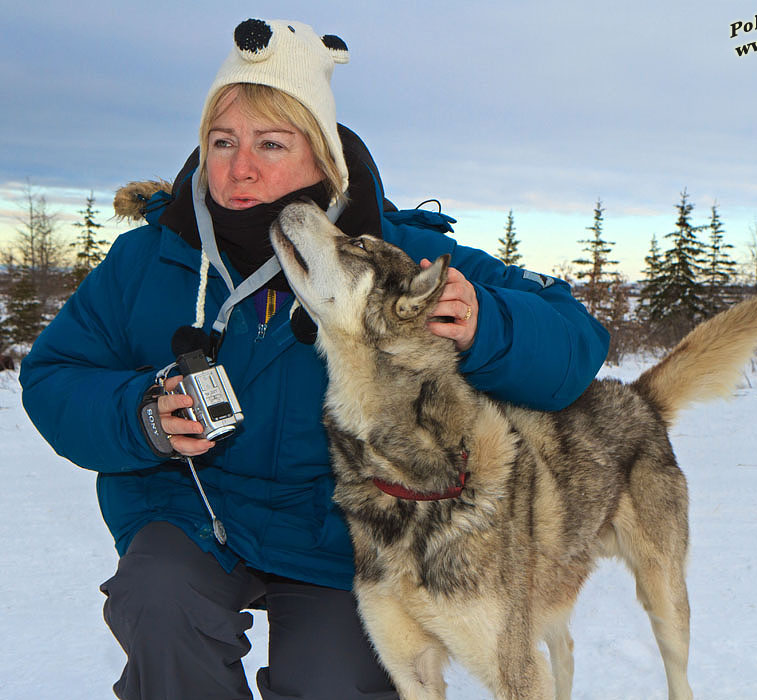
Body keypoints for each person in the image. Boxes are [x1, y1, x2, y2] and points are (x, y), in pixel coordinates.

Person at [20, 18, 610, 700]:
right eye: (222, 142)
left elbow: (575, 340)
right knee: (160, 603)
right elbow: (55, 375)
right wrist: (141, 417)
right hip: (191, 508)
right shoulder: (150, 259)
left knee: (337, 683)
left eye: (271, 144)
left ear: (322, 158)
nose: (239, 168)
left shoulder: (395, 256)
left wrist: (489, 325)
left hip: (343, 531)